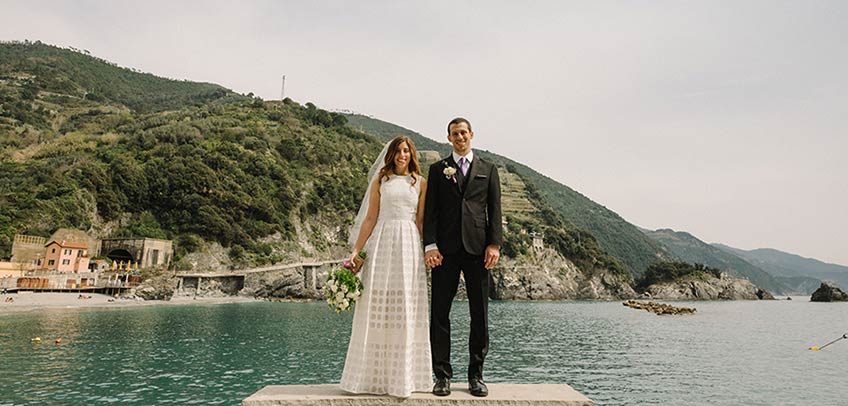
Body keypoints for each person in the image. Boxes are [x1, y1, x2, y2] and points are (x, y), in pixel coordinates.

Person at [340, 136, 433, 397]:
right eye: (398, 151)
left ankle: (404, 378)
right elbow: (370, 218)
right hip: (381, 242)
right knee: (376, 303)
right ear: (391, 154)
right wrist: (356, 250)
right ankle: (370, 378)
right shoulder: (381, 181)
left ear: (411, 154)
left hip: (409, 245)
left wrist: (429, 250)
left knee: (405, 307)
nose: (402, 155)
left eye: (406, 151)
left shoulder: (420, 183)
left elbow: (421, 220)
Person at [423, 117, 502, 397]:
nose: (460, 137)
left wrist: (494, 244)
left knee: (479, 315)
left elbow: (494, 210)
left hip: (478, 251)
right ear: (448, 138)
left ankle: (476, 376)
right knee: (440, 314)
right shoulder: (437, 170)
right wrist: (430, 245)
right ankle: (442, 376)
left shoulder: (489, 170)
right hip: (444, 252)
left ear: (472, 135)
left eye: (464, 133)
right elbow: (430, 211)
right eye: (455, 134)